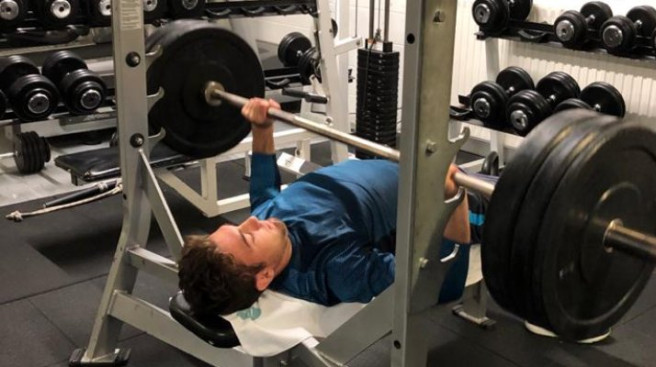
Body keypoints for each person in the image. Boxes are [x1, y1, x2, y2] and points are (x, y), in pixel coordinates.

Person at [178, 98, 491, 315]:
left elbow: (264, 194)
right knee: (526, 200)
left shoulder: (266, 226)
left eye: (238, 226)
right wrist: (451, 196)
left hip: (408, 171)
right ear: (264, 277)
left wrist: (262, 128)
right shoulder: (333, 269)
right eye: (247, 237)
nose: (252, 222)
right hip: (447, 197)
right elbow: (442, 286)